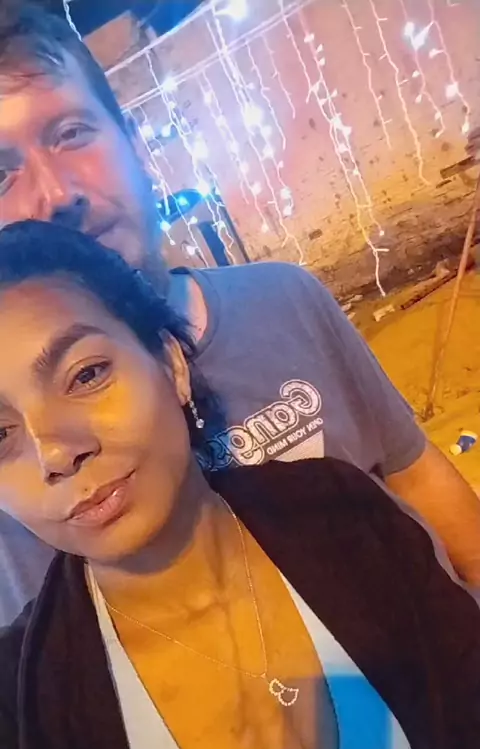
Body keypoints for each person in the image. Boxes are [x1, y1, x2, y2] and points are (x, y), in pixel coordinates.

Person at [1, 220, 480, 749]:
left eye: (85, 375)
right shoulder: (22, 712)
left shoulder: (339, 515)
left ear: (171, 364)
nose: (55, 452)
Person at [1, 4, 480, 626]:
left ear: (134, 144)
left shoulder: (284, 299)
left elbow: (412, 471)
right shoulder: (19, 474)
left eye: (71, 134)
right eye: (1, 174)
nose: (57, 194)